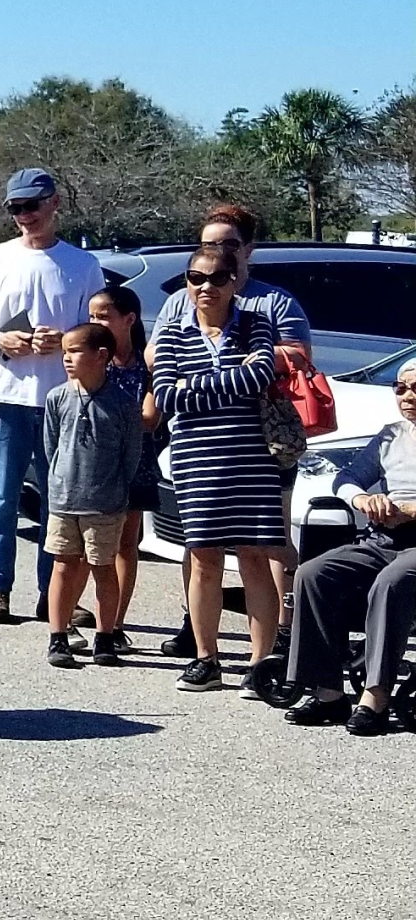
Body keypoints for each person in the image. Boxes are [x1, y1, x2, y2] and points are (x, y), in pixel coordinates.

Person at [152, 202, 314, 663]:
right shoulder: (173, 326)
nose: (207, 286)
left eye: (219, 276)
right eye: (197, 277)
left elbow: (262, 372)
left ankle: (261, 664)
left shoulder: (262, 317)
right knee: (202, 558)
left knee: (255, 557)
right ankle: (206, 657)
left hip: (253, 456)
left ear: (239, 270)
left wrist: (195, 384)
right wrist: (222, 383)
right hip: (195, 457)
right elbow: (168, 395)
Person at [0, 167, 110, 625]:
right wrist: (0, 341)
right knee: (1, 497)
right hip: (5, 395)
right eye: (15, 208)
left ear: (54, 204)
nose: (24, 216)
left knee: (57, 503)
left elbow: (97, 328)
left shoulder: (82, 265)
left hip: (62, 401)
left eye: (32, 206)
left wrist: (64, 340)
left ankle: (53, 594)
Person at [284, 358, 416, 735]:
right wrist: (362, 500)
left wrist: (407, 509)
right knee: (313, 573)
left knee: (393, 580)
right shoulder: (391, 435)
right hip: (384, 537)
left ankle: (376, 696)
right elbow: (347, 478)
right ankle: (328, 693)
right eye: (400, 388)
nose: (407, 396)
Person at [40, 324, 144, 668]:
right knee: (63, 565)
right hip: (64, 499)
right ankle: (58, 636)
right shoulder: (57, 397)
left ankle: (105, 637)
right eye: (65, 352)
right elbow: (51, 446)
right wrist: (58, 483)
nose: (67, 358)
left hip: (105, 501)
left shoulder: (123, 404)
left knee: (102, 567)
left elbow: (130, 455)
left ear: (101, 356)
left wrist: (115, 488)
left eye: (75, 351)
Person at [89, 284, 157, 622]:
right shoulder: (92, 360)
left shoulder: (147, 364)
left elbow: (149, 418)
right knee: (91, 544)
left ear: (129, 319)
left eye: (104, 316)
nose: (96, 323)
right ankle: (92, 613)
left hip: (135, 463)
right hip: (95, 463)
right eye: (92, 317)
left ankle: (115, 622)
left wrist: (112, 417)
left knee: (126, 543)